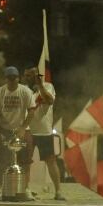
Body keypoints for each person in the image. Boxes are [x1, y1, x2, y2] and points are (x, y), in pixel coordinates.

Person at [22, 66, 60, 199]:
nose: (29, 78)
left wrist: (40, 86)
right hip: (28, 131)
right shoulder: (23, 90)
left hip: (45, 131)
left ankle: (58, 191)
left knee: (51, 161)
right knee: (26, 162)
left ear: (38, 76)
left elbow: (49, 100)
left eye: (32, 75)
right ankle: (26, 190)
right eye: (26, 75)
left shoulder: (47, 86)